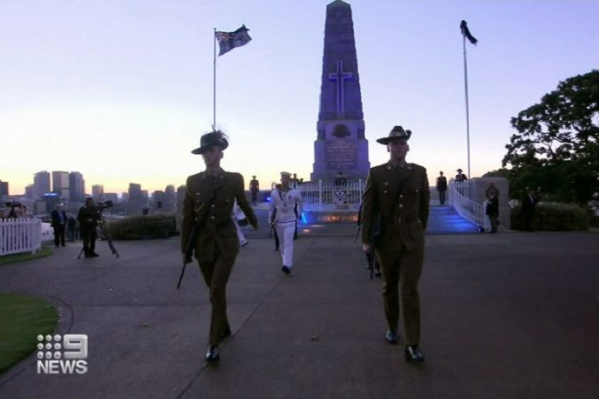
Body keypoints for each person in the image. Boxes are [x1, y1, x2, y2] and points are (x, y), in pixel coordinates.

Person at [181, 129, 258, 363]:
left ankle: (213, 343)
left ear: (220, 153)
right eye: (204, 151)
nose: (206, 155)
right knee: (215, 293)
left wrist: (254, 221)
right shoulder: (193, 181)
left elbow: (243, 202)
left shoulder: (234, 179)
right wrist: (185, 250)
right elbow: (188, 218)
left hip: (225, 243)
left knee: (216, 290)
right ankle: (223, 326)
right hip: (203, 244)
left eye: (211, 150)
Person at [360, 125, 430, 363]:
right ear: (388, 147)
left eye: (402, 143)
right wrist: (367, 240)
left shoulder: (419, 172)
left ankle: (412, 344)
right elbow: (369, 208)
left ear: (407, 146)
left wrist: (419, 231)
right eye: (395, 143)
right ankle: (392, 326)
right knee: (389, 287)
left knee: (409, 290)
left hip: (412, 239)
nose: (399, 146)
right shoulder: (377, 173)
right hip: (387, 239)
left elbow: (424, 208)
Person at [268, 171, 303, 274]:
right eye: (283, 178)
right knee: (282, 244)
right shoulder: (274, 193)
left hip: (291, 220)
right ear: (281, 179)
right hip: (279, 221)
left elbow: (300, 202)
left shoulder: (294, 192)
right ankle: (285, 260)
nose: (285, 180)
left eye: (287, 178)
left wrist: (299, 213)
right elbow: (271, 208)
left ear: (289, 180)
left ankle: (286, 264)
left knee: (288, 242)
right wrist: (270, 220)